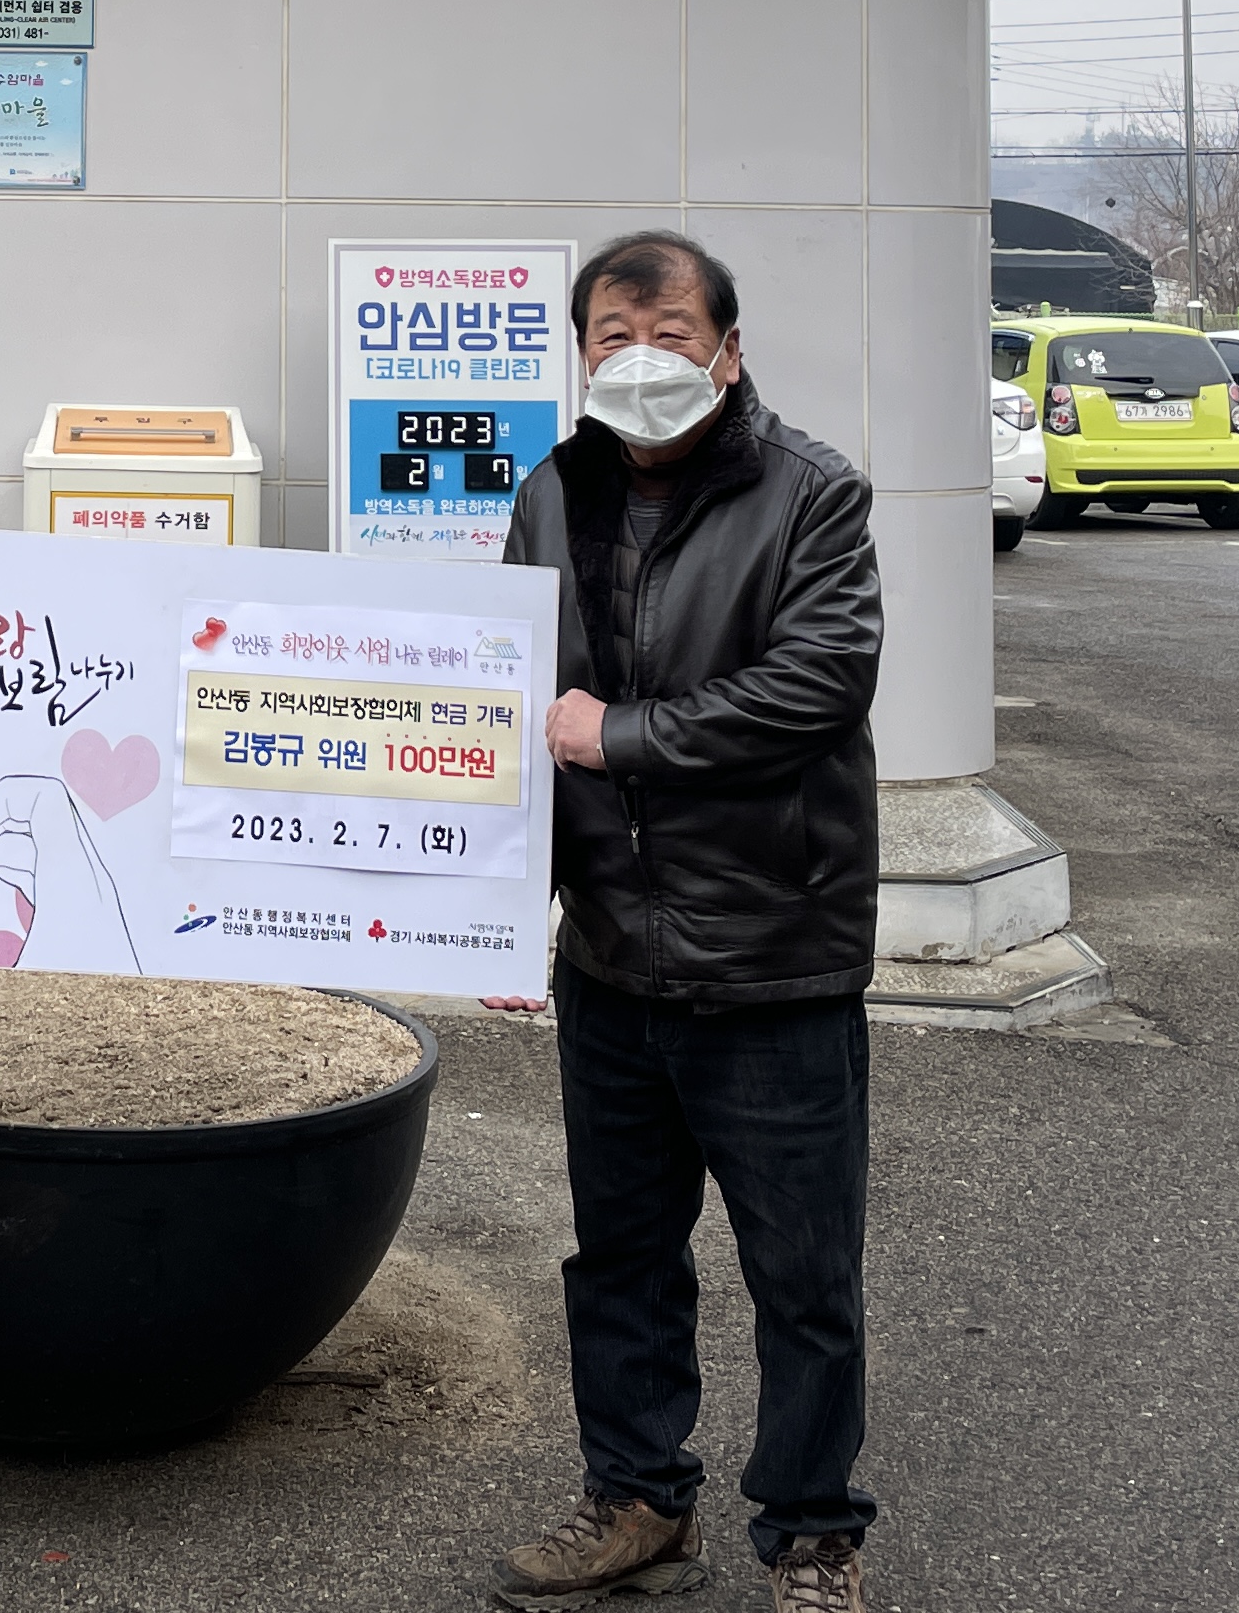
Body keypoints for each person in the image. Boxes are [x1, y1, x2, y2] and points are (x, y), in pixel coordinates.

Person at [486, 231, 887, 1613]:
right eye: (611, 335)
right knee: (621, 1258)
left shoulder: (813, 494)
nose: (639, 358)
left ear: (729, 348)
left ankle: (816, 1535)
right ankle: (637, 1499)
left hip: (773, 954)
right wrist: (484, 910)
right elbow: (505, 701)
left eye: (668, 332)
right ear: (579, 351)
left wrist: (623, 736)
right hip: (611, 954)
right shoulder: (552, 490)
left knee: (802, 1275)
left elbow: (819, 684)